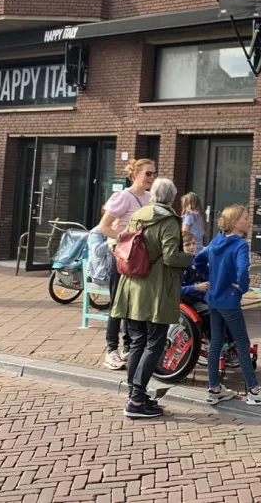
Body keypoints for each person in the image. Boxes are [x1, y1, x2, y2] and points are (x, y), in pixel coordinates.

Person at [110, 178, 192, 419]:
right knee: (155, 343)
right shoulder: (168, 220)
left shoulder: (139, 214)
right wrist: (189, 257)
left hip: (132, 287)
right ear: (172, 197)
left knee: (137, 341)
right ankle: (136, 399)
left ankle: (135, 394)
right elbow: (170, 256)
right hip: (155, 291)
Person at [195, 205, 261, 407]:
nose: (248, 221)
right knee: (242, 343)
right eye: (245, 218)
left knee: (216, 342)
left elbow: (198, 259)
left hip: (213, 298)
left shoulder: (217, 241)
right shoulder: (240, 245)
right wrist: (240, 288)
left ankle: (214, 389)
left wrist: (211, 279)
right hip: (229, 301)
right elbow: (243, 271)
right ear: (235, 223)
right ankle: (254, 390)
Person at [93, 158, 155, 371]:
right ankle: (112, 350)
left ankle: (129, 346)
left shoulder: (150, 198)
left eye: (153, 174)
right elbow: (104, 227)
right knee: (118, 304)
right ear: (135, 174)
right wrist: (126, 239)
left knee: (134, 303)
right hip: (121, 257)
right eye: (148, 173)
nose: (151, 178)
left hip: (140, 258)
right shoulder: (123, 197)